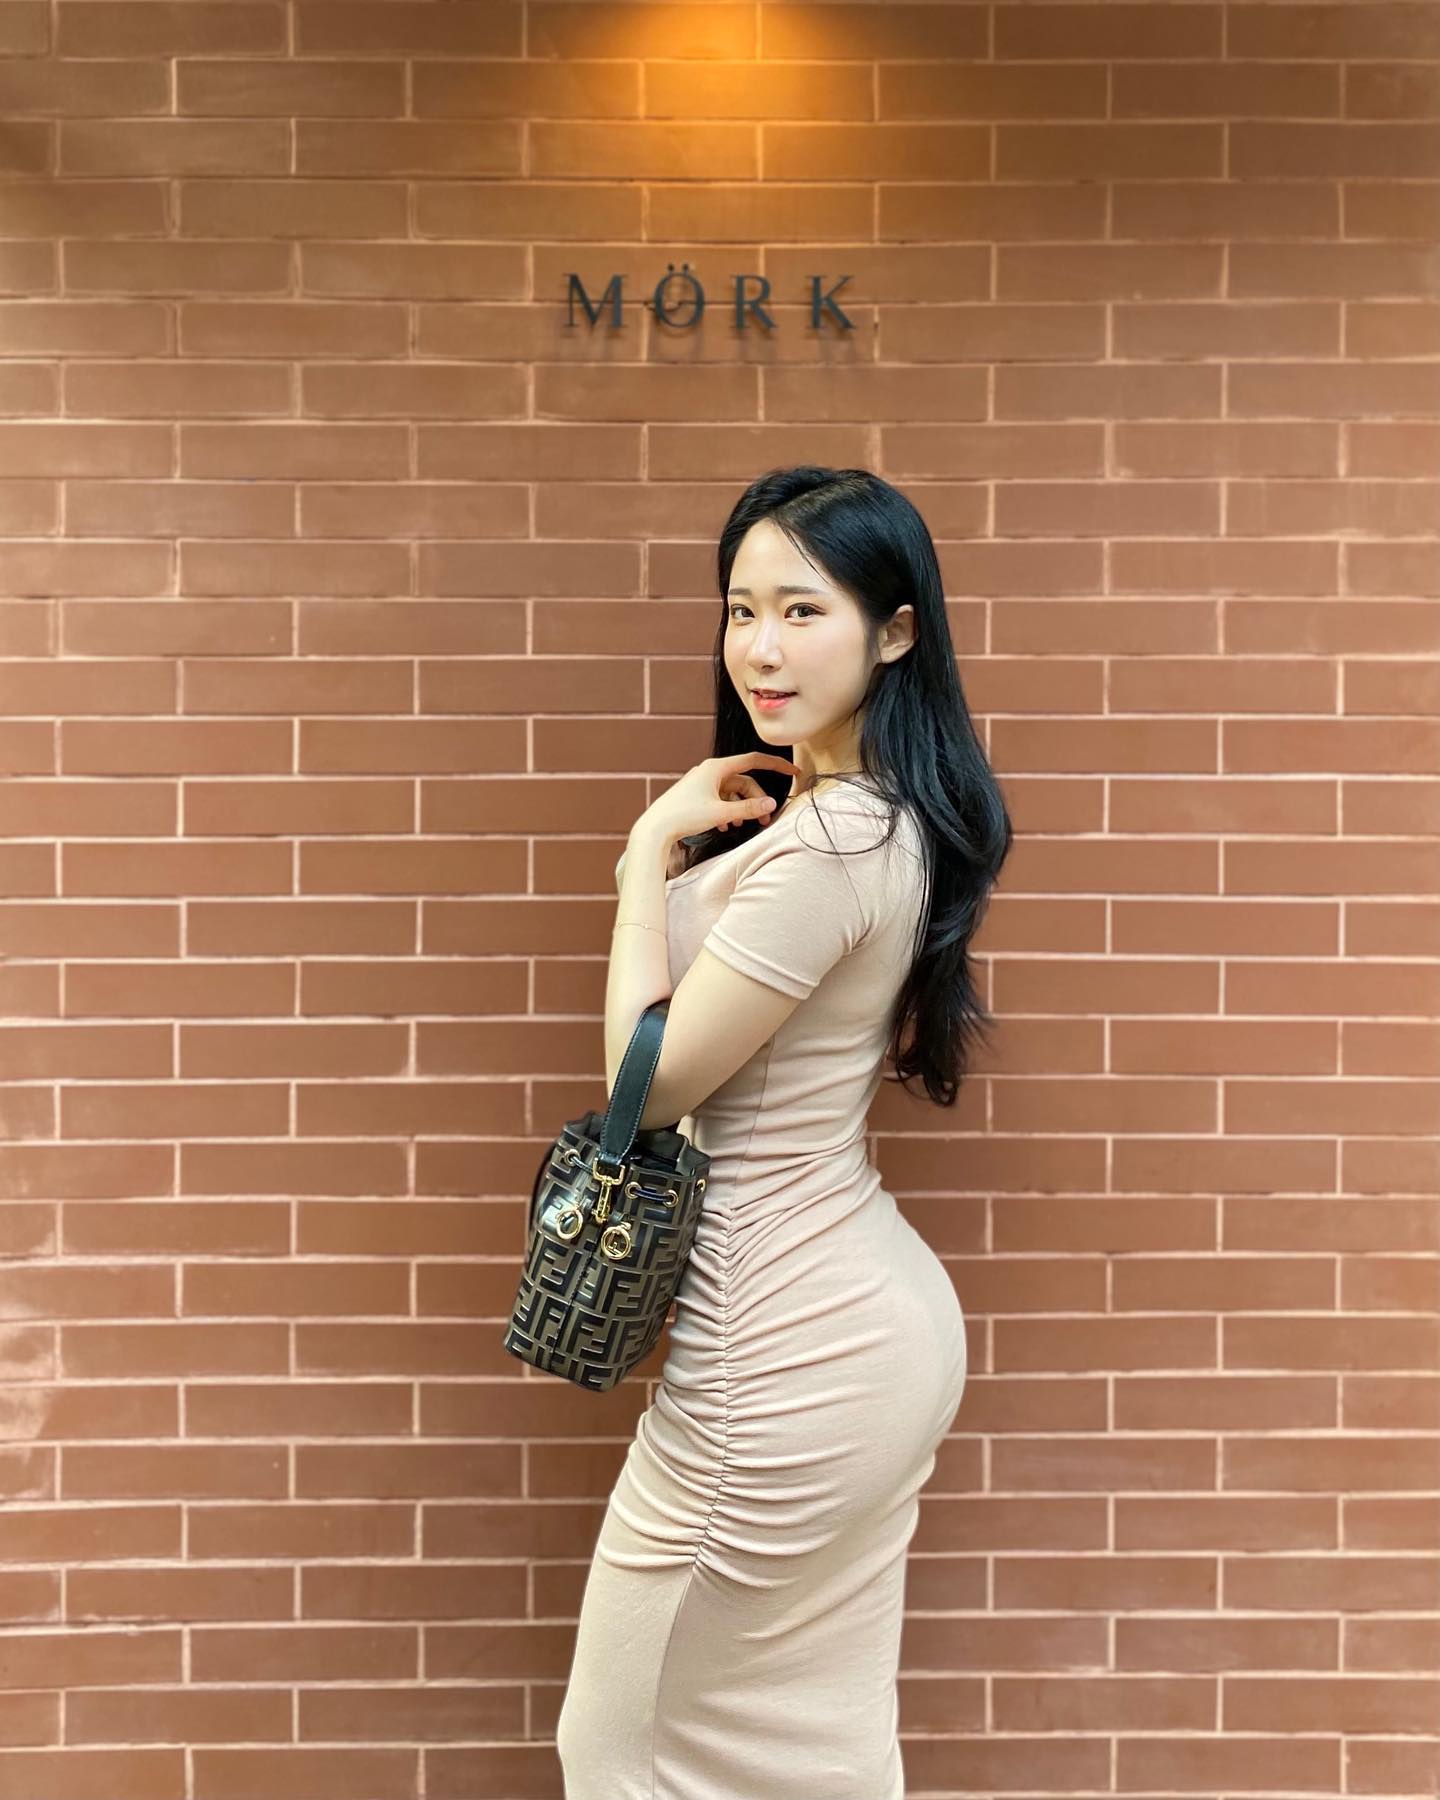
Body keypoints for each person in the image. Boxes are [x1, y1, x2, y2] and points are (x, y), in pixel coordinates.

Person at [556, 466, 1013, 1798]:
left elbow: (647, 1087)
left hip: (782, 1348)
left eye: (804, 610)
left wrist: (644, 861)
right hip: (836, 1317)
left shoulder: (836, 844)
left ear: (896, 630)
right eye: (742, 608)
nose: (761, 646)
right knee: (814, 1747)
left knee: (620, 1750)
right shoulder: (855, 816)